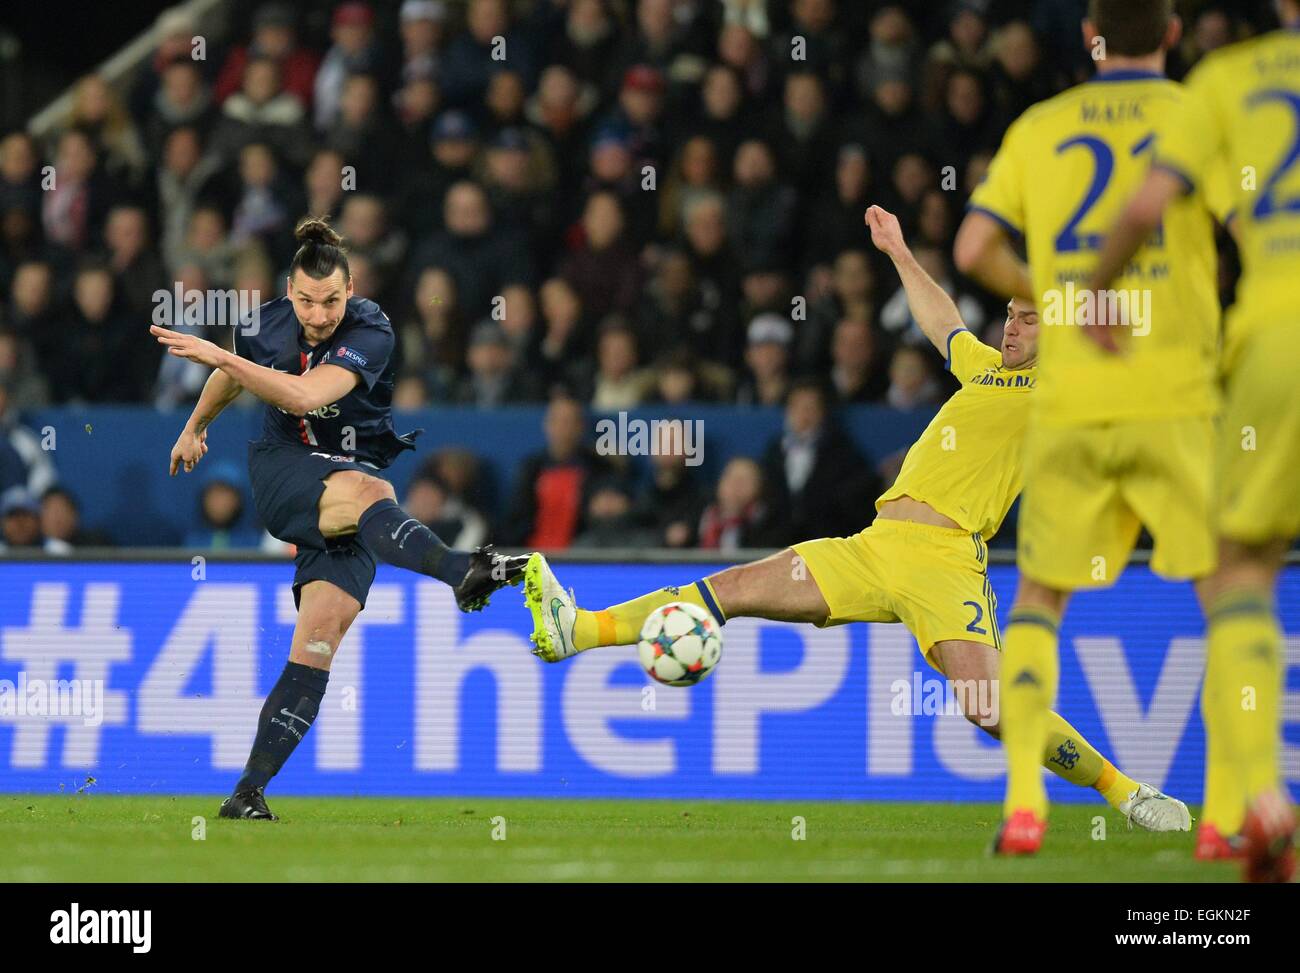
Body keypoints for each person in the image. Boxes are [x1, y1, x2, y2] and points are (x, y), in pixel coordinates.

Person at [522, 204, 1188, 833]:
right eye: (1011, 314)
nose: (1012, 325)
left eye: (1031, 318)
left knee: (988, 708)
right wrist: (899, 251)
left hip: (945, 562)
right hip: (871, 547)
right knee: (729, 588)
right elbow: (942, 322)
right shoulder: (986, 371)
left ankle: (1126, 793)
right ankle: (577, 628)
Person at [953, 0, 1224, 855]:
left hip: (1069, 399)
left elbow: (972, 252)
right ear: (1174, 34)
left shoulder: (1040, 124)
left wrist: (1063, 299)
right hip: (1173, 390)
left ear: (1088, 37)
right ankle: (1235, 809)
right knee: (1228, 593)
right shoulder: (1200, 111)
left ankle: (1026, 801)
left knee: (1038, 600)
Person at [152, 217, 530, 821]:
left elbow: (303, 394)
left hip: (345, 493)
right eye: (305, 299)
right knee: (368, 486)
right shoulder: (267, 323)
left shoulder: (372, 330)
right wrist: (195, 425)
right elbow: (231, 376)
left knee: (320, 638)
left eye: (330, 300)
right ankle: (462, 570)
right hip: (285, 471)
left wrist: (220, 355)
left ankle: (246, 792)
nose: (319, 314)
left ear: (350, 290)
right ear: (289, 289)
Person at [1085, 0, 1300, 882]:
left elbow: (1145, 205)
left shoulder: (1223, 83)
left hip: (1276, 336)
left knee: (1240, 570)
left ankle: (1264, 799)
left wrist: (1096, 288)